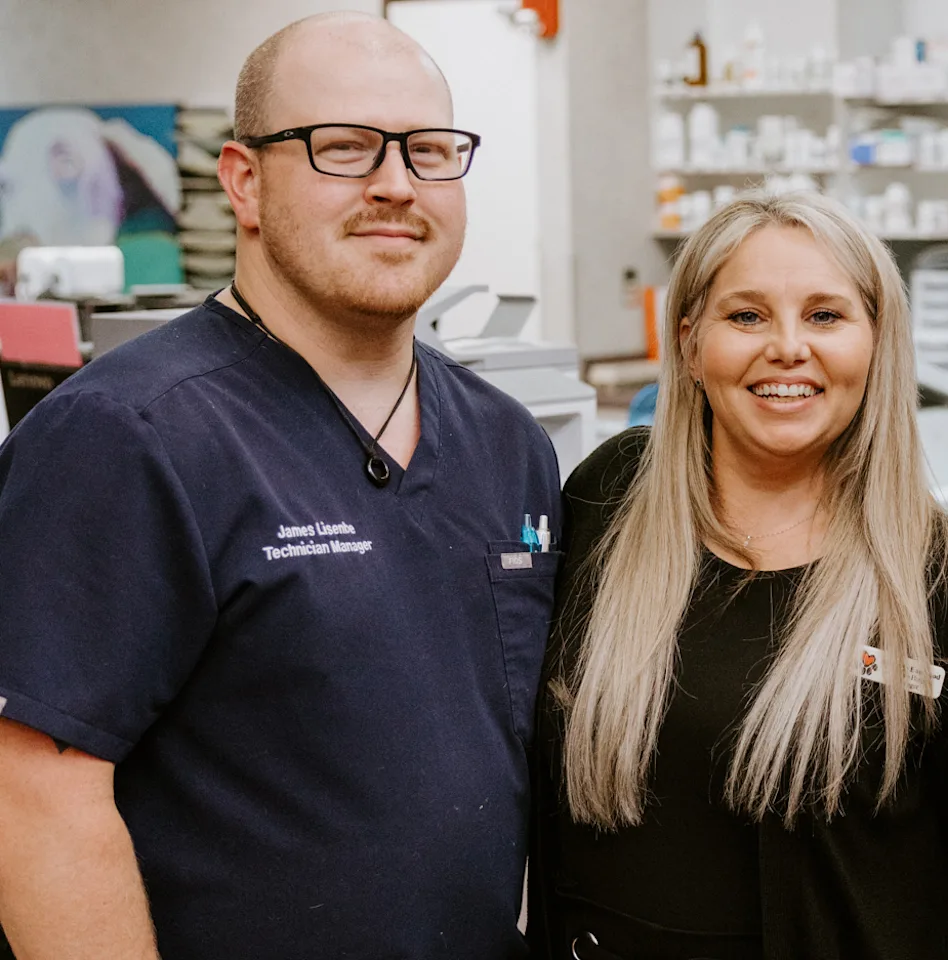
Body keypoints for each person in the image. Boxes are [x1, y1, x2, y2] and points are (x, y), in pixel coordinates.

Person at [0, 13, 558, 959]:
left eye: (429, 152)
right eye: (344, 149)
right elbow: (32, 795)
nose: (396, 184)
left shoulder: (508, 441)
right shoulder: (128, 436)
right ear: (243, 181)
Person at [527, 192, 948, 960]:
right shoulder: (607, 500)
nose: (786, 348)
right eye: (746, 317)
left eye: (825, 316)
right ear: (689, 342)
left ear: (877, 343)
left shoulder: (943, 580)